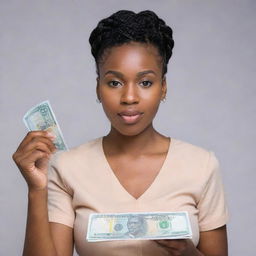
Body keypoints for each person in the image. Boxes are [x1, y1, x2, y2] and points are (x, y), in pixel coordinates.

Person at [12, 10, 228, 256]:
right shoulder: (67, 167)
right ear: (98, 88)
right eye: (114, 82)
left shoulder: (201, 166)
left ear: (163, 87)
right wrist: (36, 190)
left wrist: (188, 254)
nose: (129, 98)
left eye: (145, 82)